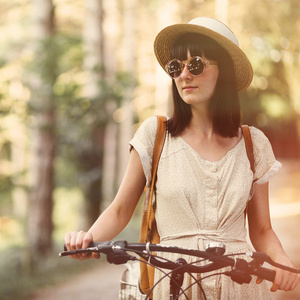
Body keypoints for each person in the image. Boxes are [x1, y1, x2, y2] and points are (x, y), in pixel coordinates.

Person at [64, 17, 299, 299]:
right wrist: (87, 240)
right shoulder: (155, 134)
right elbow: (119, 210)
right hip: (174, 280)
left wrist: (282, 260)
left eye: (196, 64)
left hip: (239, 283)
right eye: (176, 67)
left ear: (223, 71)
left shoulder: (253, 143)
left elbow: (262, 229)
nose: (184, 75)